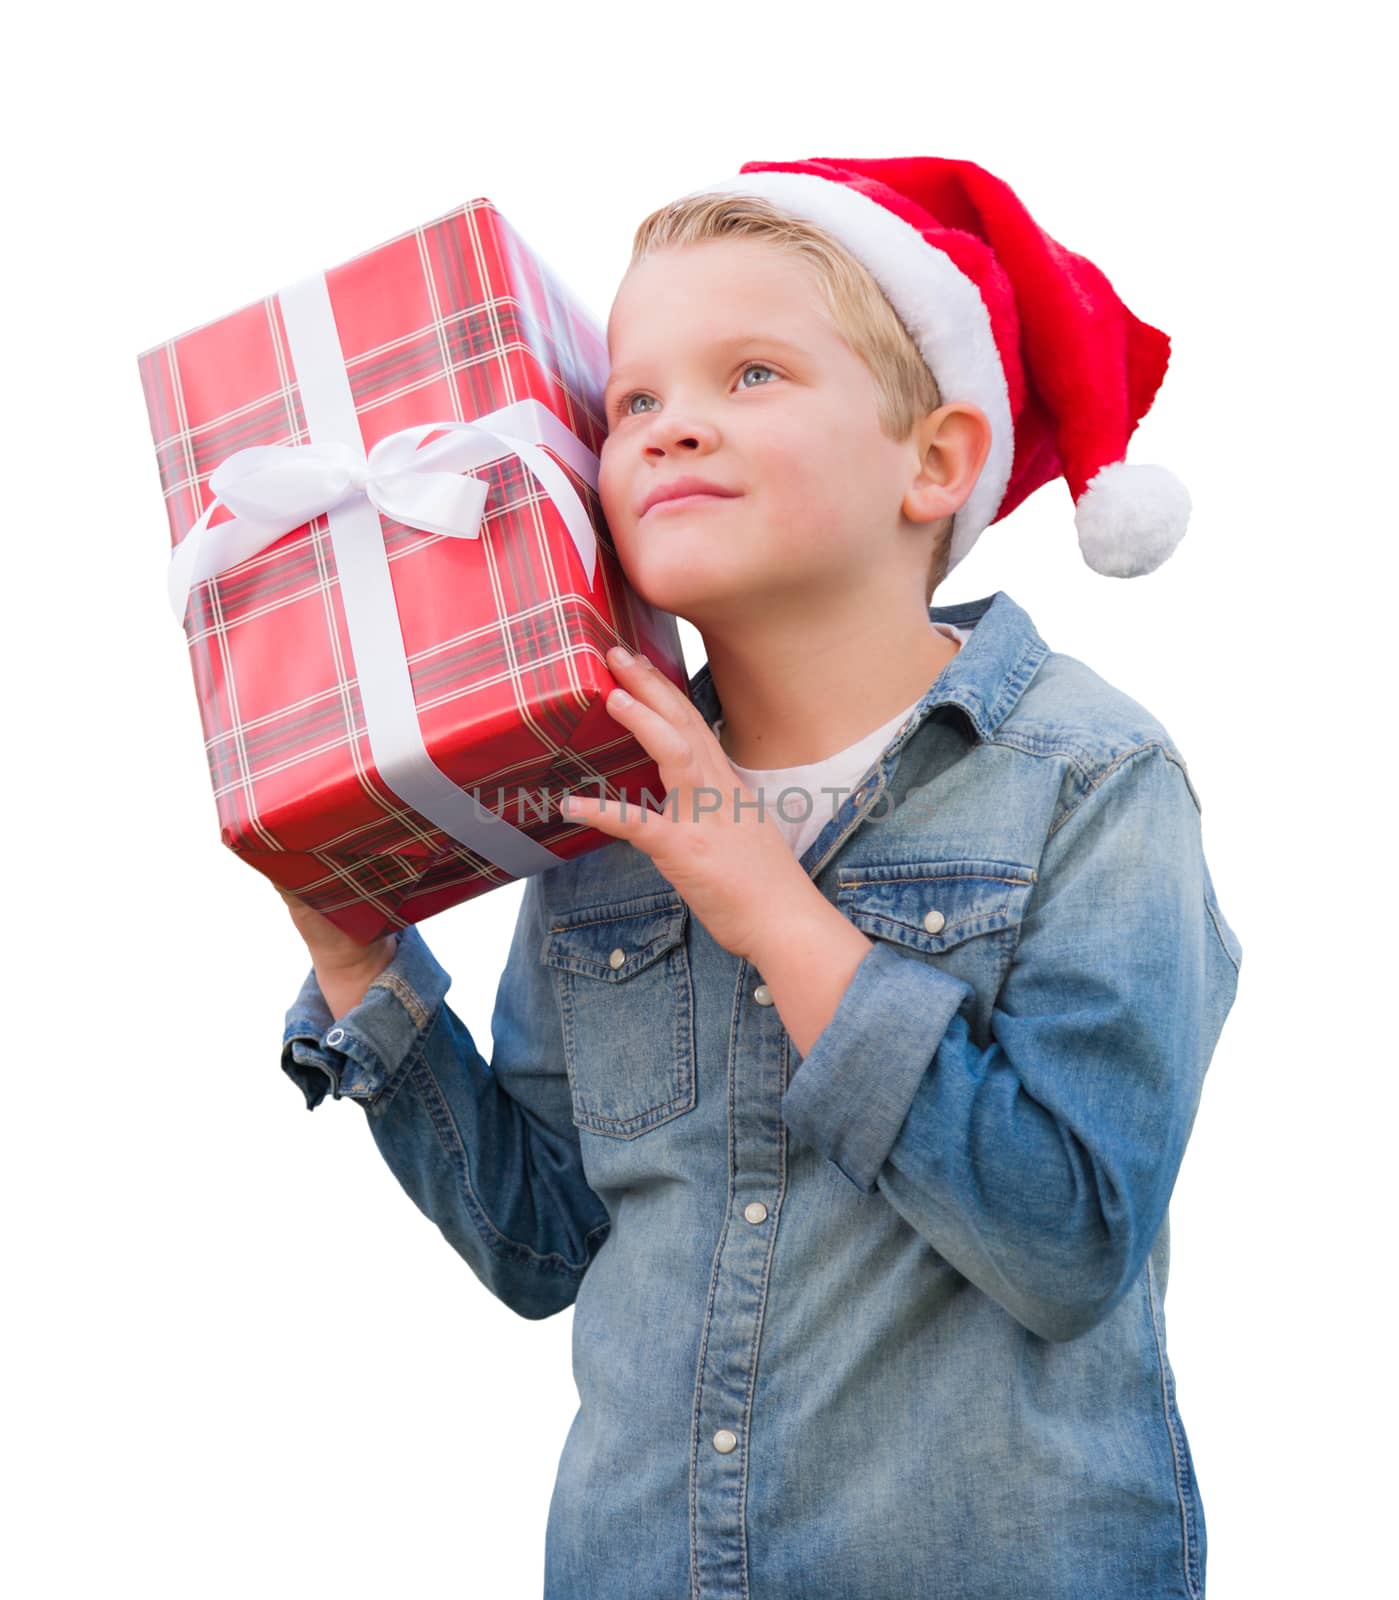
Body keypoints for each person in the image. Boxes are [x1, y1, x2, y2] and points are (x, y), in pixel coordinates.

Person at [279, 157, 1243, 1600]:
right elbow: (548, 1244)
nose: (670, 432)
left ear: (931, 461)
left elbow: (1066, 1242)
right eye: (637, 403)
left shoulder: (1089, 779)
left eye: (751, 374)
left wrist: (777, 914)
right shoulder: (606, 813)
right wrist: (365, 968)